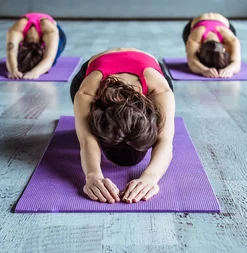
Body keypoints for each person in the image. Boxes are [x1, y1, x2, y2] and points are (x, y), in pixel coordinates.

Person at [71, 48, 175, 204]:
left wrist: (151, 177)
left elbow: (166, 141)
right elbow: (87, 139)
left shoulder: (160, 89)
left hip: (145, 71)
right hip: (92, 73)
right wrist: (92, 175)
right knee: (84, 119)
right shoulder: (86, 92)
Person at [5, 12, 67, 80]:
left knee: (52, 61)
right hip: (28, 28)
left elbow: (49, 58)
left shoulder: (50, 31)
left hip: (55, 30)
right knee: (19, 62)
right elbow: (11, 53)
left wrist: (35, 72)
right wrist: (13, 70)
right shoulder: (16, 30)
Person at [183, 12, 241, 78]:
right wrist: (204, 70)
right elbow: (192, 62)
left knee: (227, 57)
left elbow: (237, 64)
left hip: (223, 23)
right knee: (191, 50)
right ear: (199, 49)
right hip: (194, 25)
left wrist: (229, 70)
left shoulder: (232, 40)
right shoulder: (194, 39)